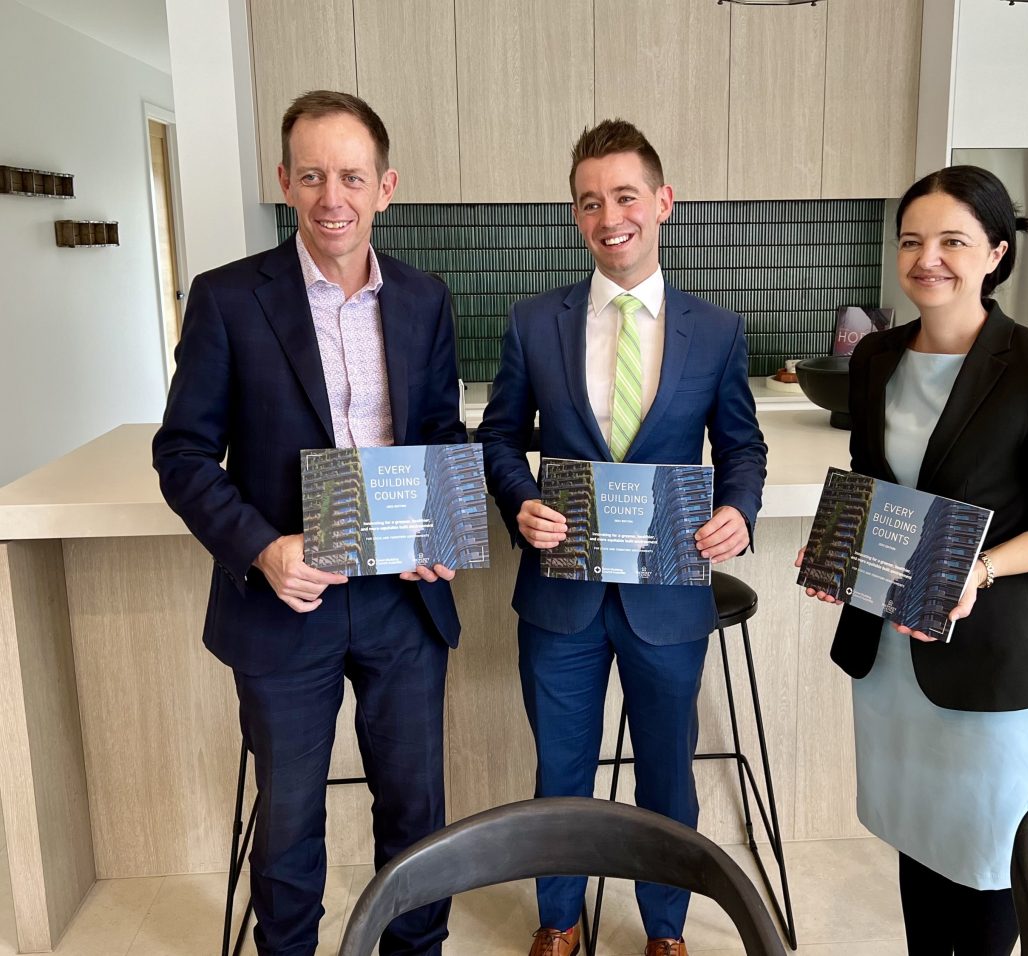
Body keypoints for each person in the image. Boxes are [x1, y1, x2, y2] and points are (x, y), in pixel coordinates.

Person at [152, 90, 464, 956]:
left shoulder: (424, 298)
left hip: (403, 604)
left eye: (353, 176)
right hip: (286, 601)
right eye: (315, 174)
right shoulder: (226, 299)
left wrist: (440, 528)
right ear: (285, 181)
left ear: (386, 186)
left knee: (416, 813)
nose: (335, 195)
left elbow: (441, 433)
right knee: (289, 820)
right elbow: (180, 455)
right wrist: (262, 547)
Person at [796, 165, 1028, 956]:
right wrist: (840, 543)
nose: (927, 259)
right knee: (919, 838)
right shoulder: (875, 358)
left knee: (983, 860)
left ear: (995, 254)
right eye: (912, 240)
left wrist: (979, 569)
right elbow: (879, 484)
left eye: (952, 240)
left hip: (987, 658)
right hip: (892, 659)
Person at [476, 119, 767, 956]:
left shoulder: (715, 329)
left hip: (668, 597)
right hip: (559, 593)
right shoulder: (537, 322)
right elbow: (499, 437)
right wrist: (521, 501)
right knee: (559, 776)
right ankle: (559, 921)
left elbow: (741, 446)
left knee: (666, 777)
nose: (611, 217)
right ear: (576, 215)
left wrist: (739, 510)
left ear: (663, 203)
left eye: (626, 196)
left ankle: (665, 932)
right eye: (590, 201)